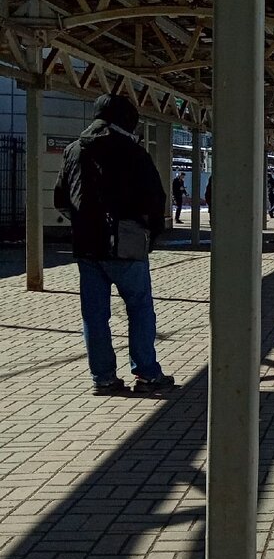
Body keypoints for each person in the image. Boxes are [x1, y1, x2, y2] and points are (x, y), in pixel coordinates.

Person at [53, 93, 175, 395]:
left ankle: (103, 378)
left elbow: (61, 199)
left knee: (94, 315)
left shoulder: (74, 150)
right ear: (127, 120)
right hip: (127, 243)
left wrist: (84, 223)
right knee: (140, 308)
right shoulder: (134, 153)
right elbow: (156, 199)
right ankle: (146, 373)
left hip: (86, 246)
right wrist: (150, 235)